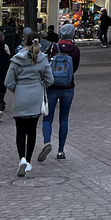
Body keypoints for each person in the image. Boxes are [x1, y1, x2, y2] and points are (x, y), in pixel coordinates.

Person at [5, 33, 54, 177]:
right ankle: (29, 161)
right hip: (36, 97)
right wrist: (40, 85)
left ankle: (22, 159)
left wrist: (18, 88)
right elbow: (50, 79)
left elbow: (8, 82)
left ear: (24, 42)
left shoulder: (16, 59)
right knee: (32, 130)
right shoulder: (42, 58)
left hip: (21, 95)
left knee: (20, 131)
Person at [40, 23, 81, 161]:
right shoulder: (75, 49)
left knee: (48, 118)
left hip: (52, 86)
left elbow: (45, 63)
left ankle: (47, 142)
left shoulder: (52, 47)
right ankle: (61, 151)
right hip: (68, 87)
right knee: (64, 119)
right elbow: (74, 68)